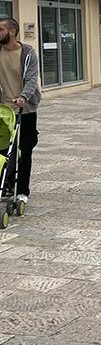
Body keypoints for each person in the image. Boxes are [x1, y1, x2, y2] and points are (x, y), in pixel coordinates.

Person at [0, 18, 41, 206]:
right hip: (3, 111)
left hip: (25, 109)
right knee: (3, 152)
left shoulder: (27, 53)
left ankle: (23, 191)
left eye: (0, 29)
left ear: (12, 31)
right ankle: (5, 185)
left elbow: (32, 79)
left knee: (25, 151)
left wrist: (23, 97)